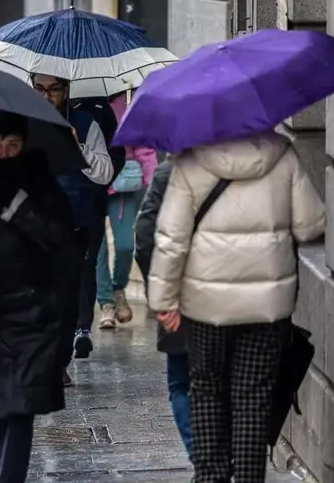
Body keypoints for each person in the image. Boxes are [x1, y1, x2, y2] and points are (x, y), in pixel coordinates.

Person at [147, 131, 326, 483]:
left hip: (205, 308)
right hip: (266, 308)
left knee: (207, 392)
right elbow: (311, 225)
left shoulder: (188, 163)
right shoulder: (282, 156)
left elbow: (171, 239)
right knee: (253, 399)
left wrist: (163, 301)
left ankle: (211, 477)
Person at [0, 112, 76, 483]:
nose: (4, 154)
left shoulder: (43, 186)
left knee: (18, 408)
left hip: (32, 314)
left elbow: (62, 242)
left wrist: (21, 210)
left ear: (24, 145)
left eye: (12, 145)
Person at [31, 74, 114, 370]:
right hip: (33, 225)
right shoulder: (22, 119)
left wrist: (78, 147)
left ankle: (60, 361)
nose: (46, 95)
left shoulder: (85, 123)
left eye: (53, 89)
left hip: (75, 221)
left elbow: (104, 172)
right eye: (39, 88)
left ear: (65, 90)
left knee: (67, 294)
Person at [133, 158, 192, 458]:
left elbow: (144, 238)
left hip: (177, 296)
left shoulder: (168, 173)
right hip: (233, 299)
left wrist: (157, 293)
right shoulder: (241, 170)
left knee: (181, 383)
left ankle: (203, 458)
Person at [96, 90, 157, 329]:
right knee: (97, 249)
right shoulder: (80, 104)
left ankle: (117, 288)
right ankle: (106, 304)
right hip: (92, 182)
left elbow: (143, 146)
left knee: (125, 244)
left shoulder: (129, 103)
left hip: (123, 182)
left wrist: (153, 180)